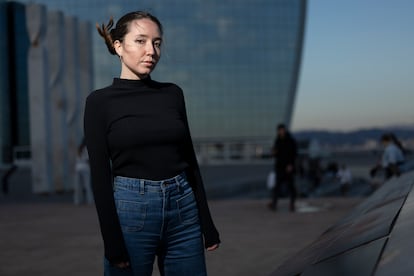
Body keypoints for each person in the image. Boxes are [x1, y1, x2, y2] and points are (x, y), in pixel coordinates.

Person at [84, 11, 220, 275]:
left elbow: (189, 160)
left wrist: (207, 222)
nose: (152, 51)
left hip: (184, 211)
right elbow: (100, 176)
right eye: (141, 41)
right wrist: (112, 242)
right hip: (131, 212)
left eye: (157, 43)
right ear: (118, 46)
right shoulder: (99, 102)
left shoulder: (172, 94)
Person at [268, 124, 298, 212]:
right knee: (277, 186)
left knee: (291, 186)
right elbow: (276, 153)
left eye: (282, 130)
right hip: (279, 167)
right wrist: (273, 152)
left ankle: (292, 204)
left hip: (288, 167)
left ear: (284, 130)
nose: (281, 131)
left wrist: (290, 165)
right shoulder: (277, 140)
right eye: (279, 130)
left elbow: (293, 154)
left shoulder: (290, 141)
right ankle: (274, 204)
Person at [73, 138, 93, 205]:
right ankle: (90, 200)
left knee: (77, 186)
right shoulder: (86, 149)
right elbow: (88, 160)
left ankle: (77, 201)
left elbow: (76, 159)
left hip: (78, 168)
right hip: (85, 168)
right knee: (87, 185)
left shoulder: (78, 148)